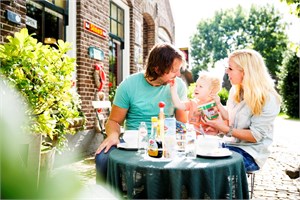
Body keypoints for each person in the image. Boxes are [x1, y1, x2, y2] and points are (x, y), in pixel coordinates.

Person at [95, 43, 188, 182]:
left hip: (166, 142)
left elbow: (182, 123)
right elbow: (114, 121)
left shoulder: (178, 86)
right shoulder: (128, 85)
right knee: (102, 158)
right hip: (135, 143)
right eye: (174, 70)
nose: (178, 74)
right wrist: (114, 135)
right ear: (157, 69)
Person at [203, 49, 281, 172]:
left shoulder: (268, 98)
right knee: (197, 151)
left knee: (211, 166)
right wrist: (217, 129)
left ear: (245, 71)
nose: (226, 71)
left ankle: (223, 191)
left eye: (230, 68)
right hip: (232, 145)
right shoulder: (235, 90)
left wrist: (225, 129)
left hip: (251, 153)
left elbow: (255, 136)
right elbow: (230, 120)